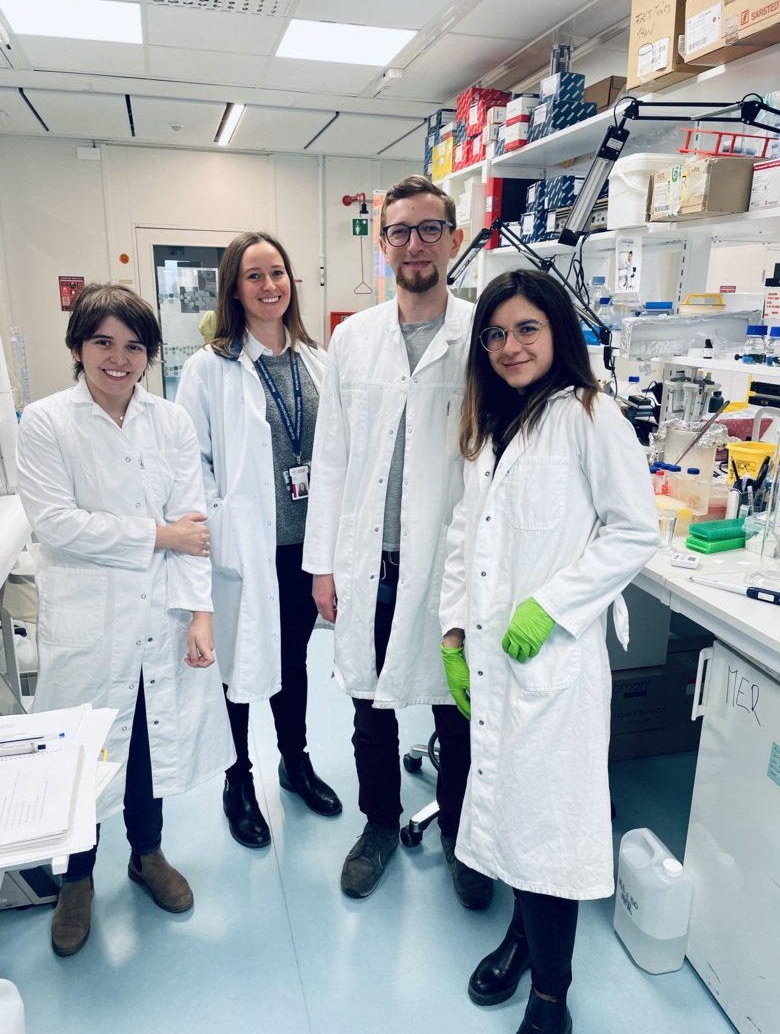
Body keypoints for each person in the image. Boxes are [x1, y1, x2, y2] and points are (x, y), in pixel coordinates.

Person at [439, 269, 659, 1034]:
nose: (509, 346)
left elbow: (634, 530)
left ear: (558, 333)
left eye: (526, 329)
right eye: (495, 334)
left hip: (551, 666)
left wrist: (552, 606)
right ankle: (521, 938)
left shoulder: (590, 416)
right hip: (495, 661)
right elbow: (465, 536)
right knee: (506, 814)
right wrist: (455, 631)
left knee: (548, 827)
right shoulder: (488, 423)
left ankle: (552, 995)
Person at [16, 283, 234, 957]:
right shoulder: (48, 423)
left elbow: (195, 526)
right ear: (78, 348)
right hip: (89, 622)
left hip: (161, 614)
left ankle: (147, 856)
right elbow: (57, 526)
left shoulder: (169, 421)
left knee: (146, 743)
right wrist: (158, 536)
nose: (119, 358)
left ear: (149, 353)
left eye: (134, 346)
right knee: (86, 755)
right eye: (103, 342)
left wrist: (200, 615)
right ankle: (77, 879)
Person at [302, 174, 492, 909]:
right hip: (369, 564)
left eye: (429, 229)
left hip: (448, 568)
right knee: (369, 708)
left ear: (452, 238)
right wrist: (323, 565)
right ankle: (379, 825)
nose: (415, 243)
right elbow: (333, 457)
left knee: (455, 708)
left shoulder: (484, 331)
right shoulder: (353, 338)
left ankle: (462, 841)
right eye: (400, 231)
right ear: (382, 245)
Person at [176, 231, 341, 851]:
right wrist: (222, 525)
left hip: (306, 548)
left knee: (292, 659)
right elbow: (191, 461)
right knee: (239, 667)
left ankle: (293, 764)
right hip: (246, 551)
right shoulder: (208, 367)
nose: (270, 286)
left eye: (279, 272)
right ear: (233, 288)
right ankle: (236, 778)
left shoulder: (317, 360)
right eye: (255, 276)